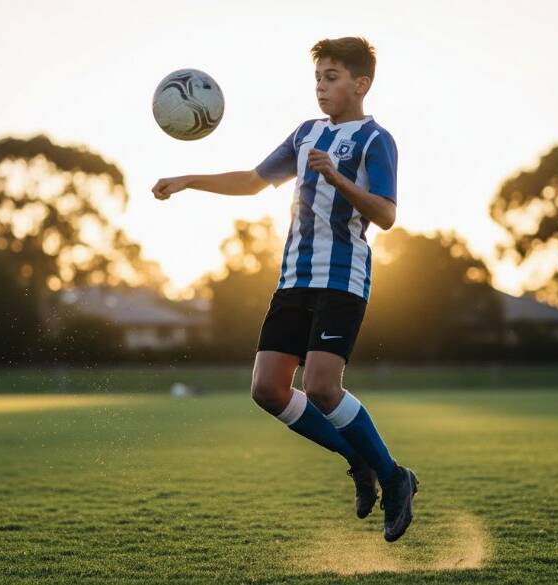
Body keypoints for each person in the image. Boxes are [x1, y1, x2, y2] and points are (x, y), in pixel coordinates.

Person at [152, 37, 418, 542]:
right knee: (267, 390)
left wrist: (337, 178)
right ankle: (358, 458)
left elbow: (385, 214)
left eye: (333, 77)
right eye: (318, 77)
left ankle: (394, 477)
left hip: (342, 280)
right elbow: (254, 181)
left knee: (320, 387)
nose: (321, 86)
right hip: (293, 280)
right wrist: (188, 179)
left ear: (361, 84)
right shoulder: (305, 134)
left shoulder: (375, 140)